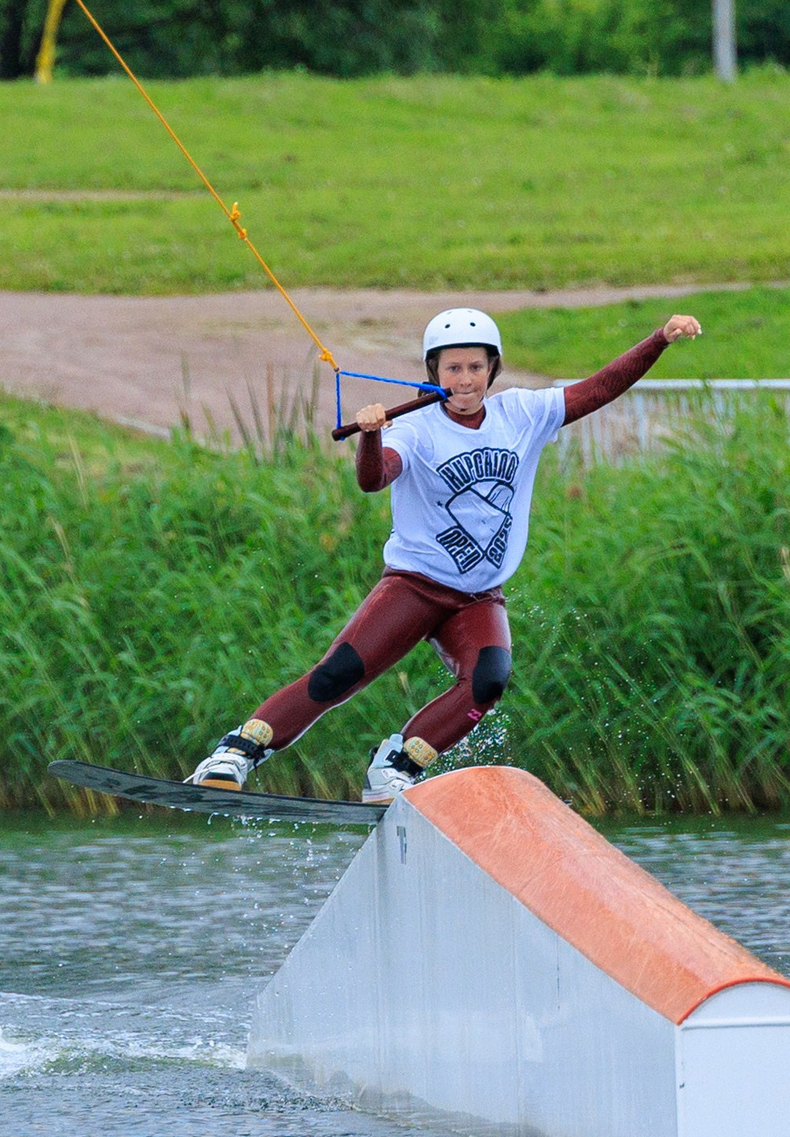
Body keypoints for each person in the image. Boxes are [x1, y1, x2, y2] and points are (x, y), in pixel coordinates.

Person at [187, 308, 704, 803]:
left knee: (488, 681)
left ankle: (395, 767)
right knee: (337, 675)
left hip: (479, 597)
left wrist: (659, 339)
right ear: (433, 371)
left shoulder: (521, 414)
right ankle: (237, 752)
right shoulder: (414, 429)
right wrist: (370, 439)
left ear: (492, 369)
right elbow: (373, 480)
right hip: (414, 586)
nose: (464, 378)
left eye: (475, 366)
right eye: (452, 367)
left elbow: (600, 388)